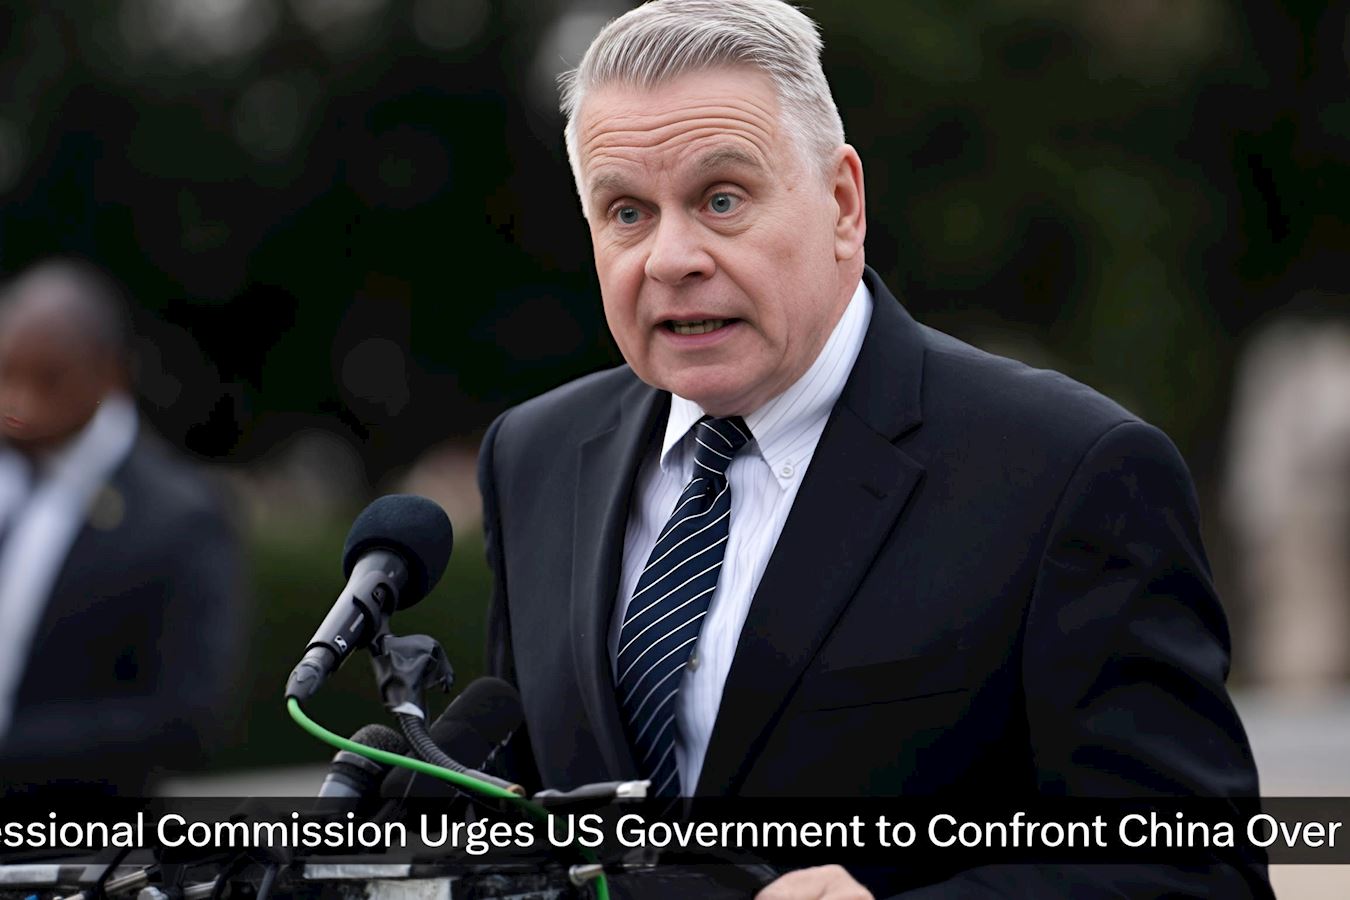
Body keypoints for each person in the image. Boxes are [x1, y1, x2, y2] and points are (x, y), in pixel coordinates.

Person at [476, 1, 1267, 895]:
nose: (670, 258)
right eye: (627, 212)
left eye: (722, 199)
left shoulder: (1072, 472)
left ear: (842, 204)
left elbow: (1201, 872)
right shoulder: (533, 456)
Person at [0, 258, 244, 796]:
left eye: (48, 378)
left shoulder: (179, 517)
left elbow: (187, 721)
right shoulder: (11, 470)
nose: (17, 403)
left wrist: (13, 750)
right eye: (5, 374)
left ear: (109, 374)